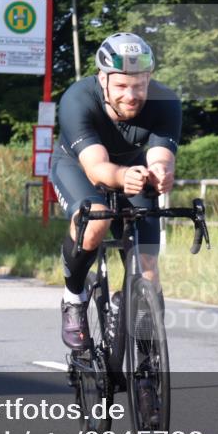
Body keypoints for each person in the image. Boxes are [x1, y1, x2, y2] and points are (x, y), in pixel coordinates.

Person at [49, 32, 181, 355]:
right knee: (95, 222)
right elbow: (96, 168)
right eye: (121, 86)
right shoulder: (77, 100)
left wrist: (161, 173)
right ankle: (73, 297)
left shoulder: (166, 102)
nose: (131, 95)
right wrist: (123, 177)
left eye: (139, 85)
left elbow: (160, 156)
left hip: (132, 170)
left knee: (147, 265)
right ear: (102, 79)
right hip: (79, 167)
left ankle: (149, 360)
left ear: (149, 79)